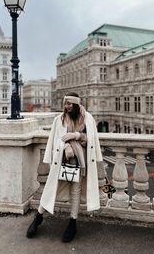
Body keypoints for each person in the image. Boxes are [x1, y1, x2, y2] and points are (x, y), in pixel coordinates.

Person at [26, 92, 104, 242]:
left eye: (69, 104)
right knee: (50, 189)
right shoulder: (59, 119)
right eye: (65, 104)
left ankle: (72, 223)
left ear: (76, 104)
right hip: (61, 160)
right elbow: (53, 140)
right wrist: (66, 146)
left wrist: (76, 136)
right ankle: (38, 217)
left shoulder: (88, 119)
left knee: (76, 191)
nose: (66, 107)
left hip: (80, 163)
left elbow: (92, 141)